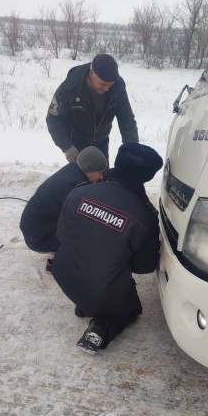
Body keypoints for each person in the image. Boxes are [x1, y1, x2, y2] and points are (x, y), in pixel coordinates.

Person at [51, 142, 163, 354]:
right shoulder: (144, 217)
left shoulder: (78, 192)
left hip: (63, 276)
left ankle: (85, 304)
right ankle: (103, 325)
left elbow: (61, 235)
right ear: (147, 177)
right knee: (130, 308)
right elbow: (144, 267)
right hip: (101, 292)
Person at [46, 54, 139, 162]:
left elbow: (126, 119)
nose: (107, 89)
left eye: (110, 85)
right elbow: (54, 119)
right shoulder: (70, 87)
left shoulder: (117, 87)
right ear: (91, 73)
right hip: (77, 143)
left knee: (102, 176)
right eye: (103, 84)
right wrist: (67, 147)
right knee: (80, 177)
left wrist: (131, 148)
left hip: (101, 142)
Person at [20, 146, 107, 257]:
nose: (101, 177)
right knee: (87, 236)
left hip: (33, 231)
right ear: (89, 168)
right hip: (37, 240)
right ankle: (61, 262)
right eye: (100, 172)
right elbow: (78, 222)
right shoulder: (73, 187)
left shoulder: (73, 170)